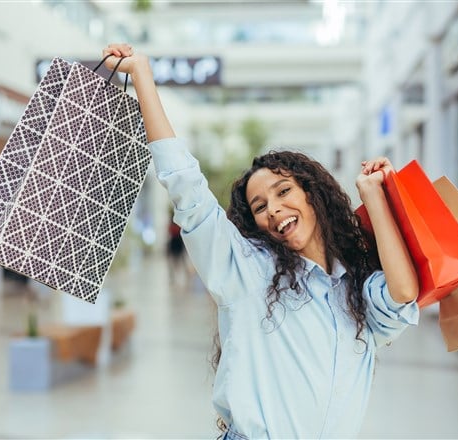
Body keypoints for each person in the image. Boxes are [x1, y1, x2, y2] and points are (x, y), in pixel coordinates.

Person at [102, 43, 420, 439]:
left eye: (283, 191)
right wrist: (143, 76)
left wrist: (374, 195)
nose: (273, 209)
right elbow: (188, 190)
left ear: (312, 194)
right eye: (259, 206)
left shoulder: (354, 288)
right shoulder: (247, 271)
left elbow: (403, 293)